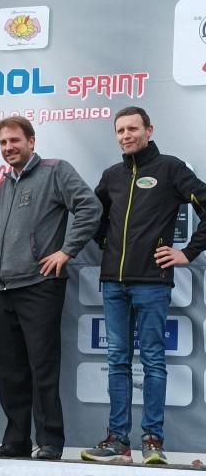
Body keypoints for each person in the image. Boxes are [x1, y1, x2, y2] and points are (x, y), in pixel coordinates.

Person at [81, 106, 206, 465]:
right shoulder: (111, 175)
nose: (125, 136)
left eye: (132, 128)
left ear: (149, 130)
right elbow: (93, 218)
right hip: (114, 285)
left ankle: (153, 441)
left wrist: (189, 253)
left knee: (153, 361)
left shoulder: (171, 168)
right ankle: (118, 440)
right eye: (120, 130)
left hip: (152, 283)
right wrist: (108, 245)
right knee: (117, 360)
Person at [0, 116, 102, 460]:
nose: (8, 148)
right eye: (3, 143)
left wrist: (67, 251)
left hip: (40, 286)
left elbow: (89, 207)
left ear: (31, 141)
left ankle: (50, 440)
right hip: (4, 288)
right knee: (10, 370)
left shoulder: (55, 170)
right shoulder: (4, 186)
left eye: (14, 141)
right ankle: (17, 440)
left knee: (42, 367)